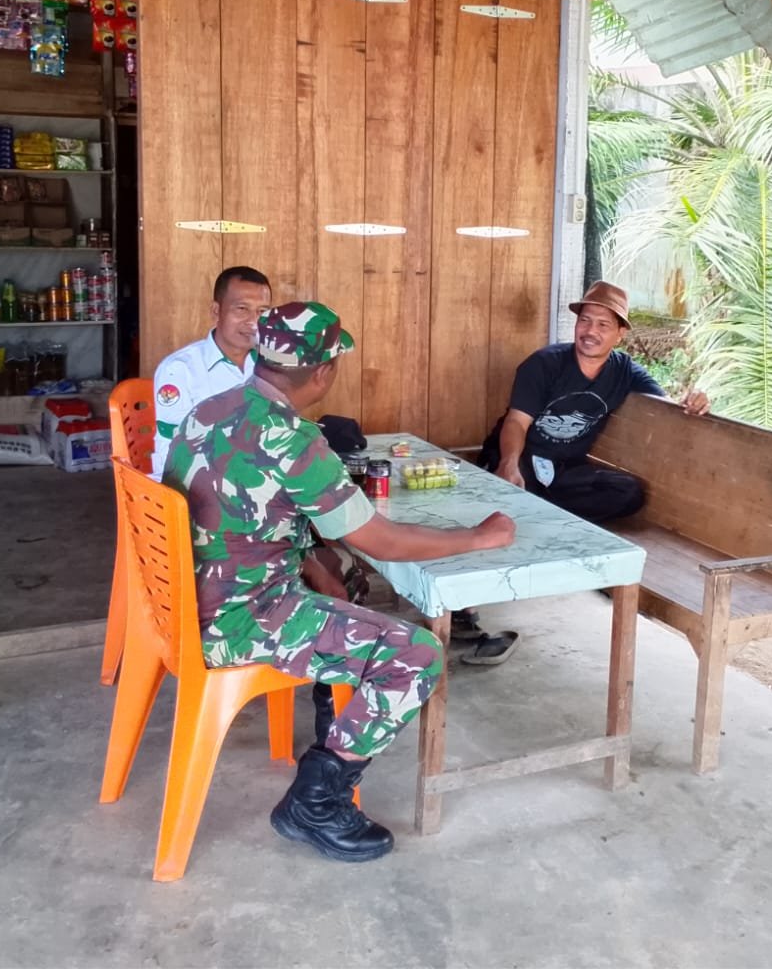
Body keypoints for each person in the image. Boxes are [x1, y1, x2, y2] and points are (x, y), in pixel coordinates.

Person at [164, 301, 515, 863]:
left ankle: (335, 713)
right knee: (417, 654)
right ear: (324, 372)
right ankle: (315, 803)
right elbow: (383, 541)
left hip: (188, 600)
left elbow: (245, 517)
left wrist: (316, 564)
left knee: (341, 577)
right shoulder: (293, 440)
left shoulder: (209, 410)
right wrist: (478, 537)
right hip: (241, 619)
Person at [464, 281, 709, 663]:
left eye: (603, 325)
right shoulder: (544, 363)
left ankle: (545, 517)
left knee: (629, 493)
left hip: (564, 471)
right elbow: (516, 422)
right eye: (585, 321)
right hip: (522, 456)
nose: (590, 331)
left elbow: (666, 406)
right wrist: (508, 464)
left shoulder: (625, 372)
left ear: (620, 333)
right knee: (508, 495)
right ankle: (466, 604)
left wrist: (693, 402)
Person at [149, 266, 271, 481]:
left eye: (262, 312)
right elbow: (178, 449)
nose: (253, 322)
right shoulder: (179, 369)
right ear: (216, 311)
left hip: (252, 476)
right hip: (192, 480)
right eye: (242, 309)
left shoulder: (269, 365)